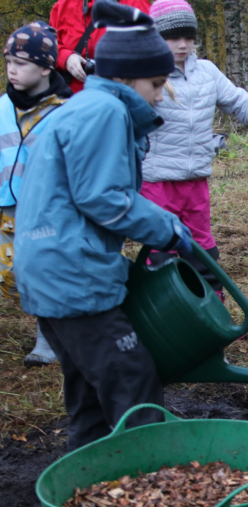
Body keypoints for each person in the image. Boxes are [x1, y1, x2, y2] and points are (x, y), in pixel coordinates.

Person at [13, 0, 191, 451]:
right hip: (73, 274)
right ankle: (154, 482)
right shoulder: (103, 112)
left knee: (90, 394)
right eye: (155, 83)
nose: (157, 94)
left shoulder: (82, 106)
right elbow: (104, 198)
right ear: (125, 78)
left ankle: (87, 484)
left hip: (49, 268)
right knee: (131, 379)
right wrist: (167, 228)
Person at [141, 0, 248, 293]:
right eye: (173, 37)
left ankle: (210, 307)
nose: (182, 45)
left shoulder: (207, 72)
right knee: (162, 250)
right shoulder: (147, 76)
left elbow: (239, 103)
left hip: (196, 180)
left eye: (188, 37)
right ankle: (166, 313)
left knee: (202, 249)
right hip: (157, 182)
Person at [0, 22, 73, 367]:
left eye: (21, 63)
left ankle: (49, 337)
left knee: (42, 271)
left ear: (46, 67)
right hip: (6, 205)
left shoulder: (65, 112)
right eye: (8, 62)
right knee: (8, 272)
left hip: (44, 210)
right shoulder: (2, 107)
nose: (12, 70)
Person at [49, 0, 151, 94]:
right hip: (74, 100)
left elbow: (152, 51)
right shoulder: (63, 6)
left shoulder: (136, 4)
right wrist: (66, 58)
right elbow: (47, 47)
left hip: (121, 96)